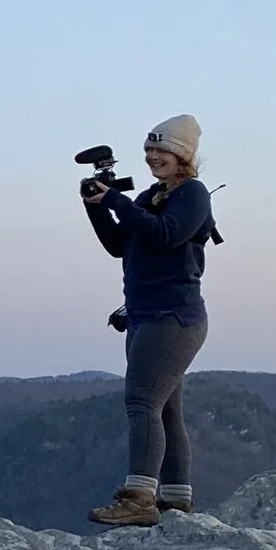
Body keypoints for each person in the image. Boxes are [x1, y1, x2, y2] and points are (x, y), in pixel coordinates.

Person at [81, 114, 217, 528]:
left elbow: (165, 235)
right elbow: (119, 245)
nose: (153, 157)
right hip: (146, 317)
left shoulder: (192, 194)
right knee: (165, 411)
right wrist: (95, 208)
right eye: (149, 150)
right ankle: (175, 499)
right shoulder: (151, 196)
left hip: (172, 318)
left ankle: (139, 497)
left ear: (183, 155)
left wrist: (116, 201)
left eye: (162, 150)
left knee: (141, 403)